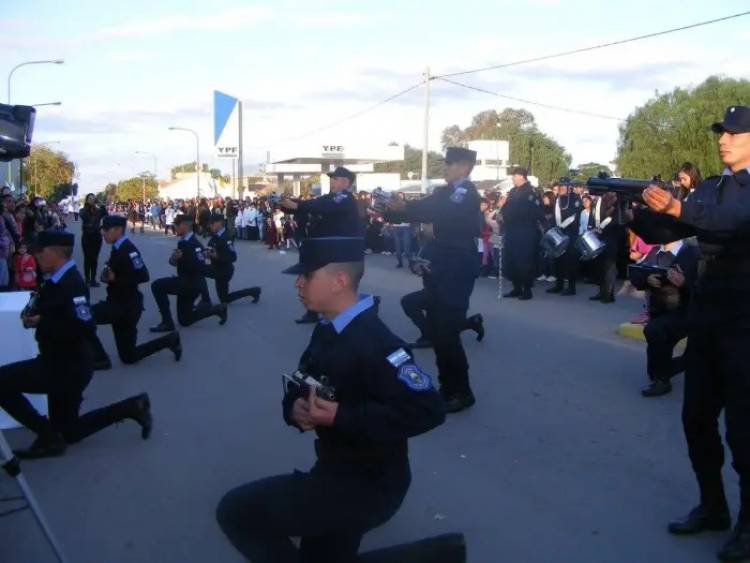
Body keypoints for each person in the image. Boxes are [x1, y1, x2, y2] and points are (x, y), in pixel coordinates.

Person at [216, 236, 447, 562]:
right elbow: (305, 380)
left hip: (368, 486)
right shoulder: (330, 327)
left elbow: (429, 410)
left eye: (307, 275)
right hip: (334, 469)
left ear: (339, 281)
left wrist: (341, 417)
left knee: (236, 512)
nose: (298, 283)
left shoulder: (378, 343)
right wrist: (295, 408)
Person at [630, 106, 750, 560]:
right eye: (723, 133)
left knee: (743, 432)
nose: (725, 140)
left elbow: (735, 221)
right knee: (696, 420)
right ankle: (713, 506)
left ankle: (748, 525)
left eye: (737, 134)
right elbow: (675, 227)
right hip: (708, 316)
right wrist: (638, 214)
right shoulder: (713, 186)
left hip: (745, 320)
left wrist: (680, 205)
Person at [0, 231, 152, 459]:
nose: (36, 257)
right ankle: (132, 407)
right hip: (64, 361)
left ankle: (48, 436)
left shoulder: (71, 284)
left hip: (67, 366)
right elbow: (49, 308)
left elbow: (84, 326)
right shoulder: (55, 278)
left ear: (54, 252)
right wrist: (35, 316)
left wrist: (43, 322)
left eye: (39, 252)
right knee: (70, 431)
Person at [385, 148, 480, 413]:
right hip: (442, 266)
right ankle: (447, 388)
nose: (445, 168)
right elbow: (421, 210)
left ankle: (462, 391)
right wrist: (393, 210)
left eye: (449, 164)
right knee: (440, 330)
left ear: (464, 166)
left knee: (447, 331)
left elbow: (442, 211)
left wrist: (408, 206)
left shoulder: (465, 193)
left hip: (458, 267)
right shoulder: (444, 192)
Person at [89, 215, 181, 367]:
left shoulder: (128, 250)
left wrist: (115, 279)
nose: (102, 233)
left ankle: (100, 358)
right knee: (128, 356)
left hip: (127, 306)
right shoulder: (117, 247)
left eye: (106, 230)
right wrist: (108, 276)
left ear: (118, 230)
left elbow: (143, 276)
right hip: (119, 302)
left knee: (84, 317)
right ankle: (170, 340)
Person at [280, 166, 362, 325]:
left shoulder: (344, 197)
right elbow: (313, 204)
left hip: (339, 249)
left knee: (338, 282)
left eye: (335, 178)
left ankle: (348, 313)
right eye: (332, 178)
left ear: (346, 182)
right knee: (314, 278)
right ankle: (314, 311)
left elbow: (321, 206)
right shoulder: (330, 197)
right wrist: (287, 204)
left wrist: (298, 206)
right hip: (322, 247)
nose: (332, 181)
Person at [629, 237, 698, 397]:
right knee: (657, 345)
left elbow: (705, 284)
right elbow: (637, 273)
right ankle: (662, 375)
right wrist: (647, 280)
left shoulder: (692, 253)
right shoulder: (654, 252)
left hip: (686, 312)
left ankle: (664, 376)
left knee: (655, 330)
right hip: (660, 311)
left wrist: (685, 284)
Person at [401, 224, 484, 347]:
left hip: (453, 292)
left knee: (446, 327)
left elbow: (465, 270)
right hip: (433, 289)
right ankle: (469, 323)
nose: (424, 228)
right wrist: (417, 267)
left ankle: (433, 335)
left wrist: (433, 270)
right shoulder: (429, 243)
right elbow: (418, 261)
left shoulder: (461, 245)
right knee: (410, 302)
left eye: (428, 225)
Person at [149, 214, 228, 332]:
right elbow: (174, 262)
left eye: (176, 225)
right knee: (185, 320)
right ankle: (217, 310)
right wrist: (175, 258)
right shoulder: (183, 242)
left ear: (184, 226)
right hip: (187, 283)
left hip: (190, 284)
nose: (174, 228)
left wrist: (204, 293)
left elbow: (201, 268)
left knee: (157, 286)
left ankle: (167, 322)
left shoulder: (194, 244)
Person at [502, 167, 544, 300]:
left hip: (525, 231)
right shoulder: (513, 191)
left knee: (524, 261)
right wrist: (503, 213)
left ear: (521, 176)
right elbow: (507, 207)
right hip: (512, 230)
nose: (512, 178)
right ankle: (516, 288)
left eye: (514, 176)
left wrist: (509, 216)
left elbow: (532, 212)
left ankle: (527, 290)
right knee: (512, 260)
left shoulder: (531, 192)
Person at [203, 213, 261, 305]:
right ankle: (204, 300)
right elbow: (210, 249)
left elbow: (233, 257)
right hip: (216, 268)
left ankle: (254, 291)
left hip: (224, 271)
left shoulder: (227, 237)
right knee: (197, 270)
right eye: (209, 223)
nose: (210, 225)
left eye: (212, 223)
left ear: (220, 223)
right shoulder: (215, 235)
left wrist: (216, 256)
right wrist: (207, 254)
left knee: (224, 299)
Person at [588, 192, 621, 303]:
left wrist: (601, 229)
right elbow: (593, 216)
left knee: (609, 268)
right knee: (600, 267)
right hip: (599, 237)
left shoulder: (616, 203)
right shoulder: (598, 201)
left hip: (610, 237)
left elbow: (615, 220)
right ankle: (601, 292)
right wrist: (592, 228)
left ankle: (609, 295)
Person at [79, 193, 107, 287]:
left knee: (94, 259)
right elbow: (84, 216)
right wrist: (89, 208)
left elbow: (106, 214)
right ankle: (87, 279)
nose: (91, 200)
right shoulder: (82, 210)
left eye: (93, 198)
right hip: (87, 237)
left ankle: (93, 280)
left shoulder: (98, 210)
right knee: (87, 258)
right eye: (90, 198)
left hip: (97, 237)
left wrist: (100, 203)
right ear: (86, 200)